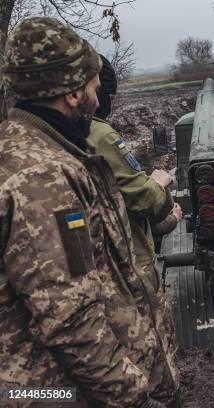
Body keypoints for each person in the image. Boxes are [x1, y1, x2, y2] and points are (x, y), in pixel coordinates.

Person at [0, 17, 177, 407]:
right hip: (56, 390)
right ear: (75, 94)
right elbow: (70, 318)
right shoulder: (41, 177)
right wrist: (133, 397)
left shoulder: (37, 150)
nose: (100, 99)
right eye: (96, 87)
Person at [87, 54, 182, 395]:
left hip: (94, 272)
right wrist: (160, 184)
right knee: (155, 363)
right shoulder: (99, 134)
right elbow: (146, 201)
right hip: (126, 271)